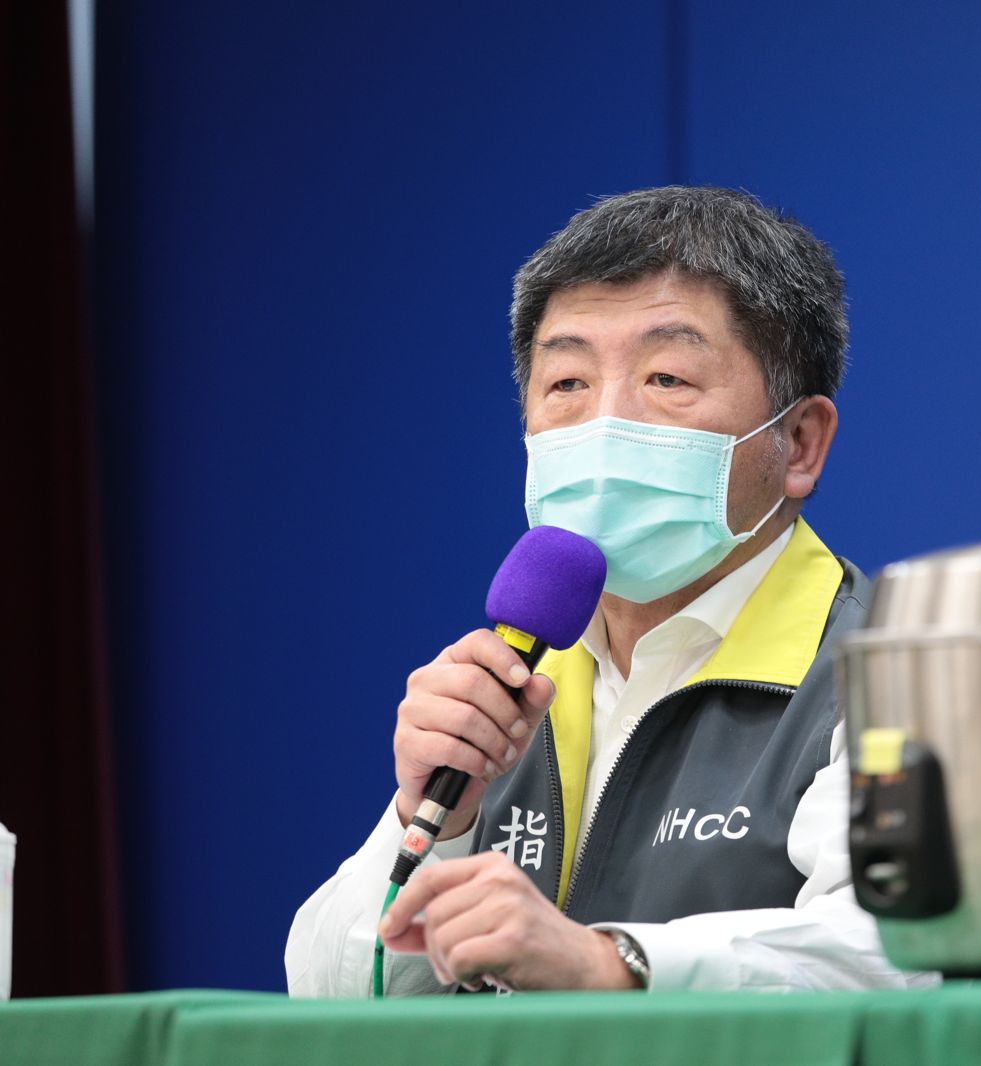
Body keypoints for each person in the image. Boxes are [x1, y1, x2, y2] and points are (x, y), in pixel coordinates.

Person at [286, 186, 930, 995]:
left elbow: (891, 953)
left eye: (666, 377)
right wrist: (433, 821)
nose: (605, 423)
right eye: (567, 384)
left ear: (799, 443)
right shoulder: (515, 681)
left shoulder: (889, 672)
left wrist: (608, 963)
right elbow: (336, 995)